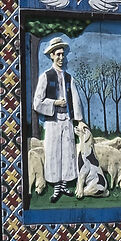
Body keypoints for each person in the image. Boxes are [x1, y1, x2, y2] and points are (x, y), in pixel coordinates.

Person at [31, 36, 84, 201]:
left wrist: (79, 119)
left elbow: (75, 99)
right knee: (54, 151)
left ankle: (65, 184)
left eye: (63, 54)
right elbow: (37, 103)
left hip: (66, 120)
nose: (61, 58)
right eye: (58, 54)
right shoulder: (46, 77)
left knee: (68, 152)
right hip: (53, 121)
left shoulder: (69, 78)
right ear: (52, 55)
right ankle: (55, 186)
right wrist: (54, 103)